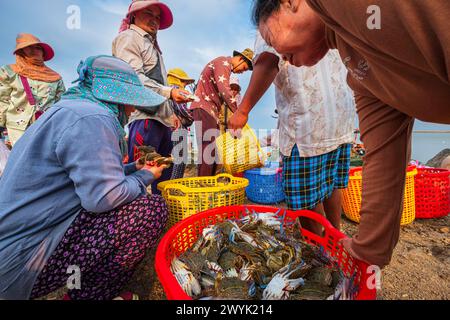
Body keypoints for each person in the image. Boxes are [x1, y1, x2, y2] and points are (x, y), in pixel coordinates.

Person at [250, 0, 450, 268]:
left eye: (270, 38)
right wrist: (369, 248)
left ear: (291, 2)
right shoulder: (360, 72)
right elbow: (384, 154)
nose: (278, 54)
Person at [0, 55, 170, 300]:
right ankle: (88, 295)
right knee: (150, 210)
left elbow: (86, 178)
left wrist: (134, 167)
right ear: (116, 97)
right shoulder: (93, 119)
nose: (133, 109)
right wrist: (145, 175)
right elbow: (103, 198)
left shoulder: (70, 110)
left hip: (16, 246)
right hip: (24, 259)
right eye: (130, 101)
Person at [229, 32, 356, 232]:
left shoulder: (275, 13)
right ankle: (335, 237)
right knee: (331, 183)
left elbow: (269, 59)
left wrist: (243, 110)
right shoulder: (328, 12)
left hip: (307, 122)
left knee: (306, 197)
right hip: (340, 117)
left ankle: (319, 248)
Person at [112, 0, 193, 194]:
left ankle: (161, 214)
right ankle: (132, 218)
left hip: (160, 119)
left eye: (157, 17)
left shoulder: (152, 45)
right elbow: (133, 78)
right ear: (134, 15)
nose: (154, 20)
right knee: (139, 171)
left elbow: (157, 83)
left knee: (163, 171)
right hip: (145, 117)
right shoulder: (129, 38)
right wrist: (171, 93)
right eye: (149, 13)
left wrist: (169, 115)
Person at [190, 49, 254, 176]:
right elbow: (225, 90)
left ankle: (210, 182)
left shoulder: (225, 67)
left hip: (211, 111)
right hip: (204, 108)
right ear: (241, 59)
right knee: (208, 150)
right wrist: (239, 113)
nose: (242, 72)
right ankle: (204, 186)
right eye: (244, 68)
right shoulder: (223, 62)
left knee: (213, 150)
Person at [0, 33, 65, 146]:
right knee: (20, 158)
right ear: (21, 52)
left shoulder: (55, 77)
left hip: (46, 127)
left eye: (38, 47)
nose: (34, 50)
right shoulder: (8, 72)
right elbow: (2, 99)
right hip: (16, 128)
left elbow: (61, 103)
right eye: (29, 47)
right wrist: (2, 125)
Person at [166, 68, 196, 179]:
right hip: (177, 128)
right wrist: (192, 116)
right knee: (180, 159)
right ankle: (175, 185)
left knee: (169, 160)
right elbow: (182, 109)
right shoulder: (177, 90)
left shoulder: (164, 90)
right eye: (184, 82)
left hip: (167, 128)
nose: (185, 85)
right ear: (177, 79)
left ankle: (168, 185)